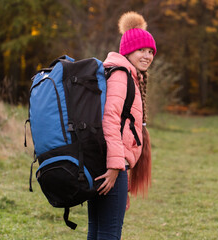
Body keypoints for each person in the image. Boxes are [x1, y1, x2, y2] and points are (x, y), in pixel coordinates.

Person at [87, 11, 156, 240]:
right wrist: (116, 168)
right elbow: (110, 119)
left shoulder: (123, 74)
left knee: (98, 231)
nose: (147, 56)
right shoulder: (121, 76)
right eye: (141, 50)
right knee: (108, 233)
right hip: (111, 166)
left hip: (105, 162)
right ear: (128, 51)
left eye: (150, 52)